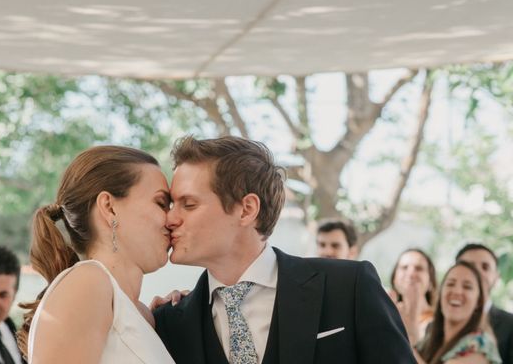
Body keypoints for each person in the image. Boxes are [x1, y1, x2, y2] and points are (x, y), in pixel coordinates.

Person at [154, 135, 415, 364]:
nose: (170, 219)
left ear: (247, 210)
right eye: (169, 205)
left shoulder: (350, 286)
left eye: (188, 204)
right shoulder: (170, 322)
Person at [18, 146, 175, 363]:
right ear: (109, 207)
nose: (173, 218)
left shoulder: (142, 314)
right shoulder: (88, 283)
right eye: (161, 203)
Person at [413, 261, 501, 364]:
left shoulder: (481, 344)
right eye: (450, 284)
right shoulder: (430, 338)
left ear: (478, 302)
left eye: (467, 287)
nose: (457, 291)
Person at [456, 243, 513, 364]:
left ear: (496, 277)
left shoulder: (510, 325)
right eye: (468, 266)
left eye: (485, 267)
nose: (477, 271)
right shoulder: (434, 326)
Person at [390, 248, 438, 345]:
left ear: (430, 282)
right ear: (394, 279)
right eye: (404, 267)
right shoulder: (387, 316)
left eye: (419, 268)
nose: (411, 273)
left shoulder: (439, 321)